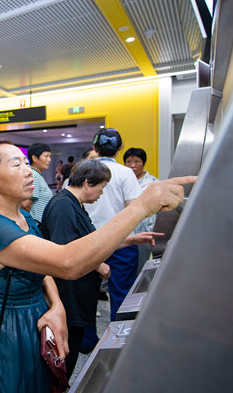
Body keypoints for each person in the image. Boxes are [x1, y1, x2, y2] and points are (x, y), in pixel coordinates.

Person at [0, 140, 192, 393]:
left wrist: (56, 306)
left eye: (25, 161)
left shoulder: (23, 218)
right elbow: (66, 262)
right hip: (6, 331)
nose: (28, 169)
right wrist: (141, 206)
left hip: (35, 319)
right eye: (15, 164)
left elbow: (42, 267)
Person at [40, 159, 161, 378]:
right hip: (69, 296)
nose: (102, 193)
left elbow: (93, 242)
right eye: (101, 187)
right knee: (65, 359)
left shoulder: (75, 205)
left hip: (79, 295)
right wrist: (98, 265)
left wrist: (131, 240)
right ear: (87, 182)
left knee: (72, 354)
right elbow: (65, 251)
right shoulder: (62, 206)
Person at [84, 129, 143, 321]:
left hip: (88, 242)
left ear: (95, 147)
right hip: (122, 241)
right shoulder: (126, 173)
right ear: (119, 149)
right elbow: (134, 210)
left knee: (86, 293)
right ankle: (119, 339)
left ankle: (87, 342)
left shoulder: (81, 171)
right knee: (122, 293)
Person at [124, 147, 159, 274]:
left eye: (137, 162)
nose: (132, 166)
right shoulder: (123, 181)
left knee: (141, 268)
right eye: (128, 162)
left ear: (143, 163)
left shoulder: (153, 183)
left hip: (145, 232)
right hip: (126, 233)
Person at [27, 142, 55, 224]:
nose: (49, 160)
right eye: (46, 156)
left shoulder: (38, 175)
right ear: (35, 158)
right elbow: (26, 204)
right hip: (36, 224)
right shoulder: (33, 176)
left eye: (50, 156)